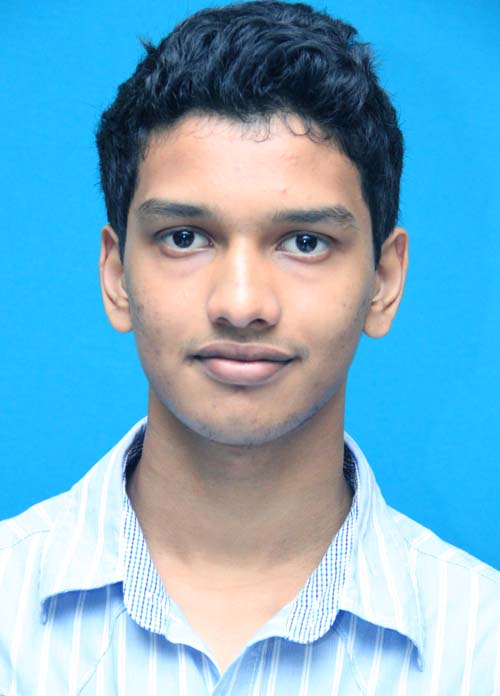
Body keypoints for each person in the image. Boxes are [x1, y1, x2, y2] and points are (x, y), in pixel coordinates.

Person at [1, 1, 498, 693]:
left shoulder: (482, 643)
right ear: (115, 276)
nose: (240, 305)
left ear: (384, 282)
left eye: (305, 242)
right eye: (184, 237)